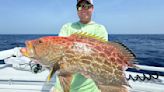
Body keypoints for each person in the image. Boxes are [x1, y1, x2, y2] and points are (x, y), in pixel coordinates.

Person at [52, 0, 108, 92]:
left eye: (87, 5)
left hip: (89, 89)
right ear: (77, 9)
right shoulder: (67, 27)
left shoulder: (100, 29)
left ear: (92, 8)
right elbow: (59, 52)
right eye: (80, 6)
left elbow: (100, 56)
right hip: (62, 87)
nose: (83, 9)